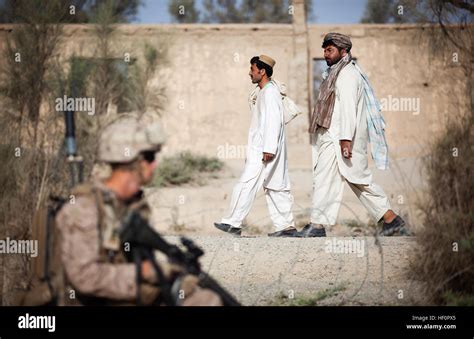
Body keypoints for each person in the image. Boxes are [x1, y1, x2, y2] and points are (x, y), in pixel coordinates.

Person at [55, 117, 222, 305]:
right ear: (134, 162)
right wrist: (144, 272)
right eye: (150, 158)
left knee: (206, 300)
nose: (154, 165)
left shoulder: (133, 205)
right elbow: (84, 277)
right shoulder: (84, 209)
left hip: (127, 297)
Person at [303, 32, 406, 237]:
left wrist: (345, 140)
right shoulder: (334, 73)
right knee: (337, 178)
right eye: (324, 49)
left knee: (355, 178)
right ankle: (390, 219)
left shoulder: (348, 75)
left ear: (344, 51)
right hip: (332, 136)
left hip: (341, 138)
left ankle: (318, 225)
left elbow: (349, 109)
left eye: (330, 50)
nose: (326, 53)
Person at [214, 55, 298, 237]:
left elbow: (274, 122)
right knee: (275, 185)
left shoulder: (270, 93)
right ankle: (286, 227)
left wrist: (268, 148)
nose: (249, 73)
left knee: (248, 184)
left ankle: (232, 222)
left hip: (264, 150)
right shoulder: (264, 93)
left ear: (262, 71)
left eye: (252, 70)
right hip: (264, 149)